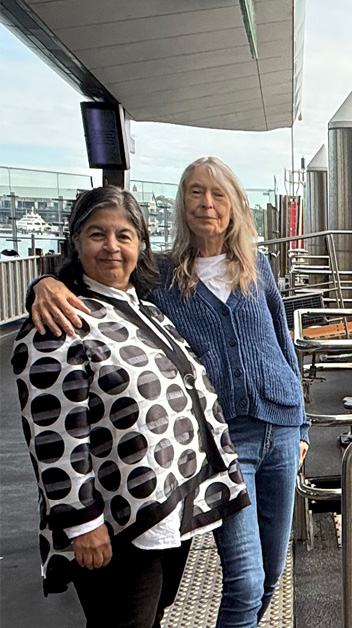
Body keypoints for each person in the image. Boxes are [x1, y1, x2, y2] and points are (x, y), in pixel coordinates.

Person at [28, 157, 309, 628]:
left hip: (281, 431)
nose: (207, 203)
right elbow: (103, 280)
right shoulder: (162, 274)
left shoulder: (257, 266)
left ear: (236, 204)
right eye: (196, 192)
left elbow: (285, 345)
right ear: (182, 203)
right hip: (223, 445)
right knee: (244, 578)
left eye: (219, 193)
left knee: (271, 574)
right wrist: (45, 282)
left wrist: (301, 426)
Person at [11, 186, 249, 628]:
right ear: (76, 243)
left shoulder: (144, 310)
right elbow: (54, 435)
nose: (112, 247)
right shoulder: (60, 322)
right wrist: (82, 523)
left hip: (164, 509)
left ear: (141, 245)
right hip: (115, 524)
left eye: (124, 235)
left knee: (152, 617)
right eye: (97, 235)